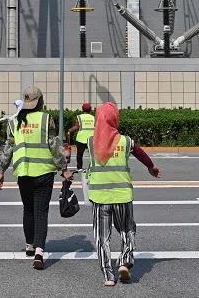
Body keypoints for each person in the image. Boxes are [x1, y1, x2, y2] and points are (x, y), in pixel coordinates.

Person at [67, 101, 160, 286]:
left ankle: (108, 276)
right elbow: (141, 154)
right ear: (115, 119)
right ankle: (125, 262)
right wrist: (151, 167)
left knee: (102, 237)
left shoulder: (91, 142)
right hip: (122, 195)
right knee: (127, 229)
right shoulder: (126, 141)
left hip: (99, 197)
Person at [0, 86, 68, 270]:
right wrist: (63, 169)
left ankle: (29, 245)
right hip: (44, 172)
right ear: (40, 101)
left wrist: (1, 170)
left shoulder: (14, 122)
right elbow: (55, 146)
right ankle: (39, 252)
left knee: (28, 209)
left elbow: (8, 149)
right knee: (41, 212)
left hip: (23, 173)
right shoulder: (46, 119)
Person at [67, 102, 95, 171]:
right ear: (90, 109)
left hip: (81, 138)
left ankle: (80, 167)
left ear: (82, 109)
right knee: (92, 154)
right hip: (91, 138)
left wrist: (70, 130)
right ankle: (93, 166)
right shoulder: (93, 118)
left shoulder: (79, 117)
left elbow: (77, 127)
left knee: (80, 154)